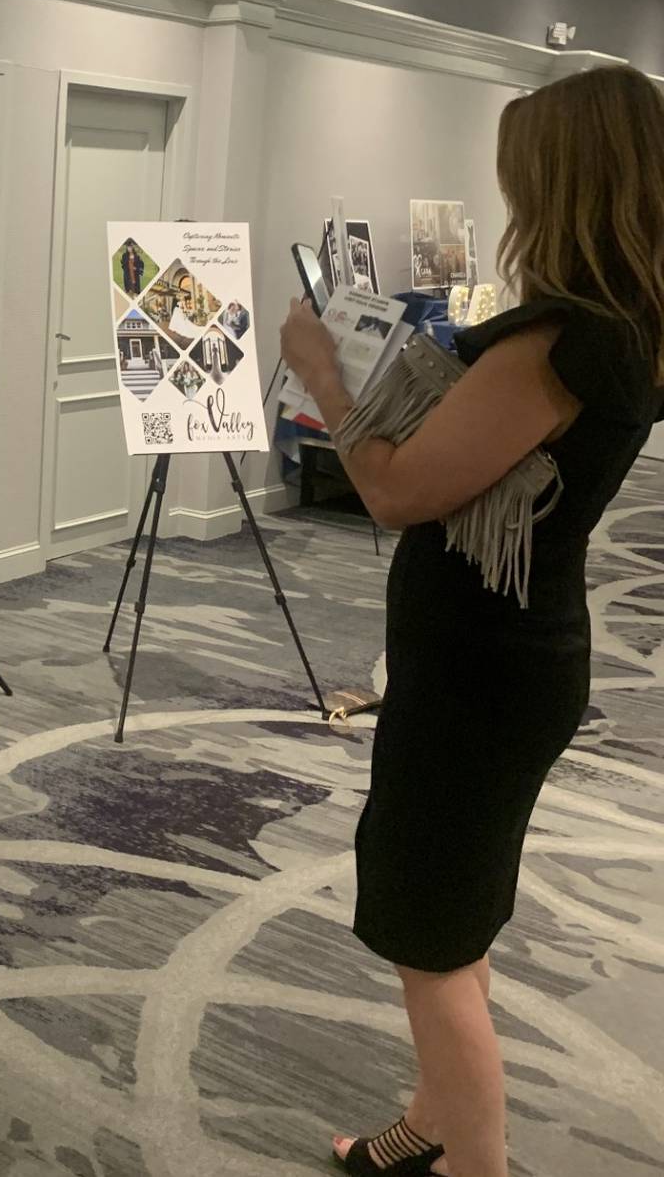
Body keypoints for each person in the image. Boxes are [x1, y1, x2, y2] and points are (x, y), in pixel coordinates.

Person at [280, 65, 664, 1177]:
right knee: (457, 909)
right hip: (517, 651)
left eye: (522, 176)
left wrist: (326, 378)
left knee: (428, 936)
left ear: (563, 181)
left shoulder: (562, 341)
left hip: (479, 669)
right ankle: (429, 1125)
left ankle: (472, 1161)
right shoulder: (624, 328)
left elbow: (400, 492)